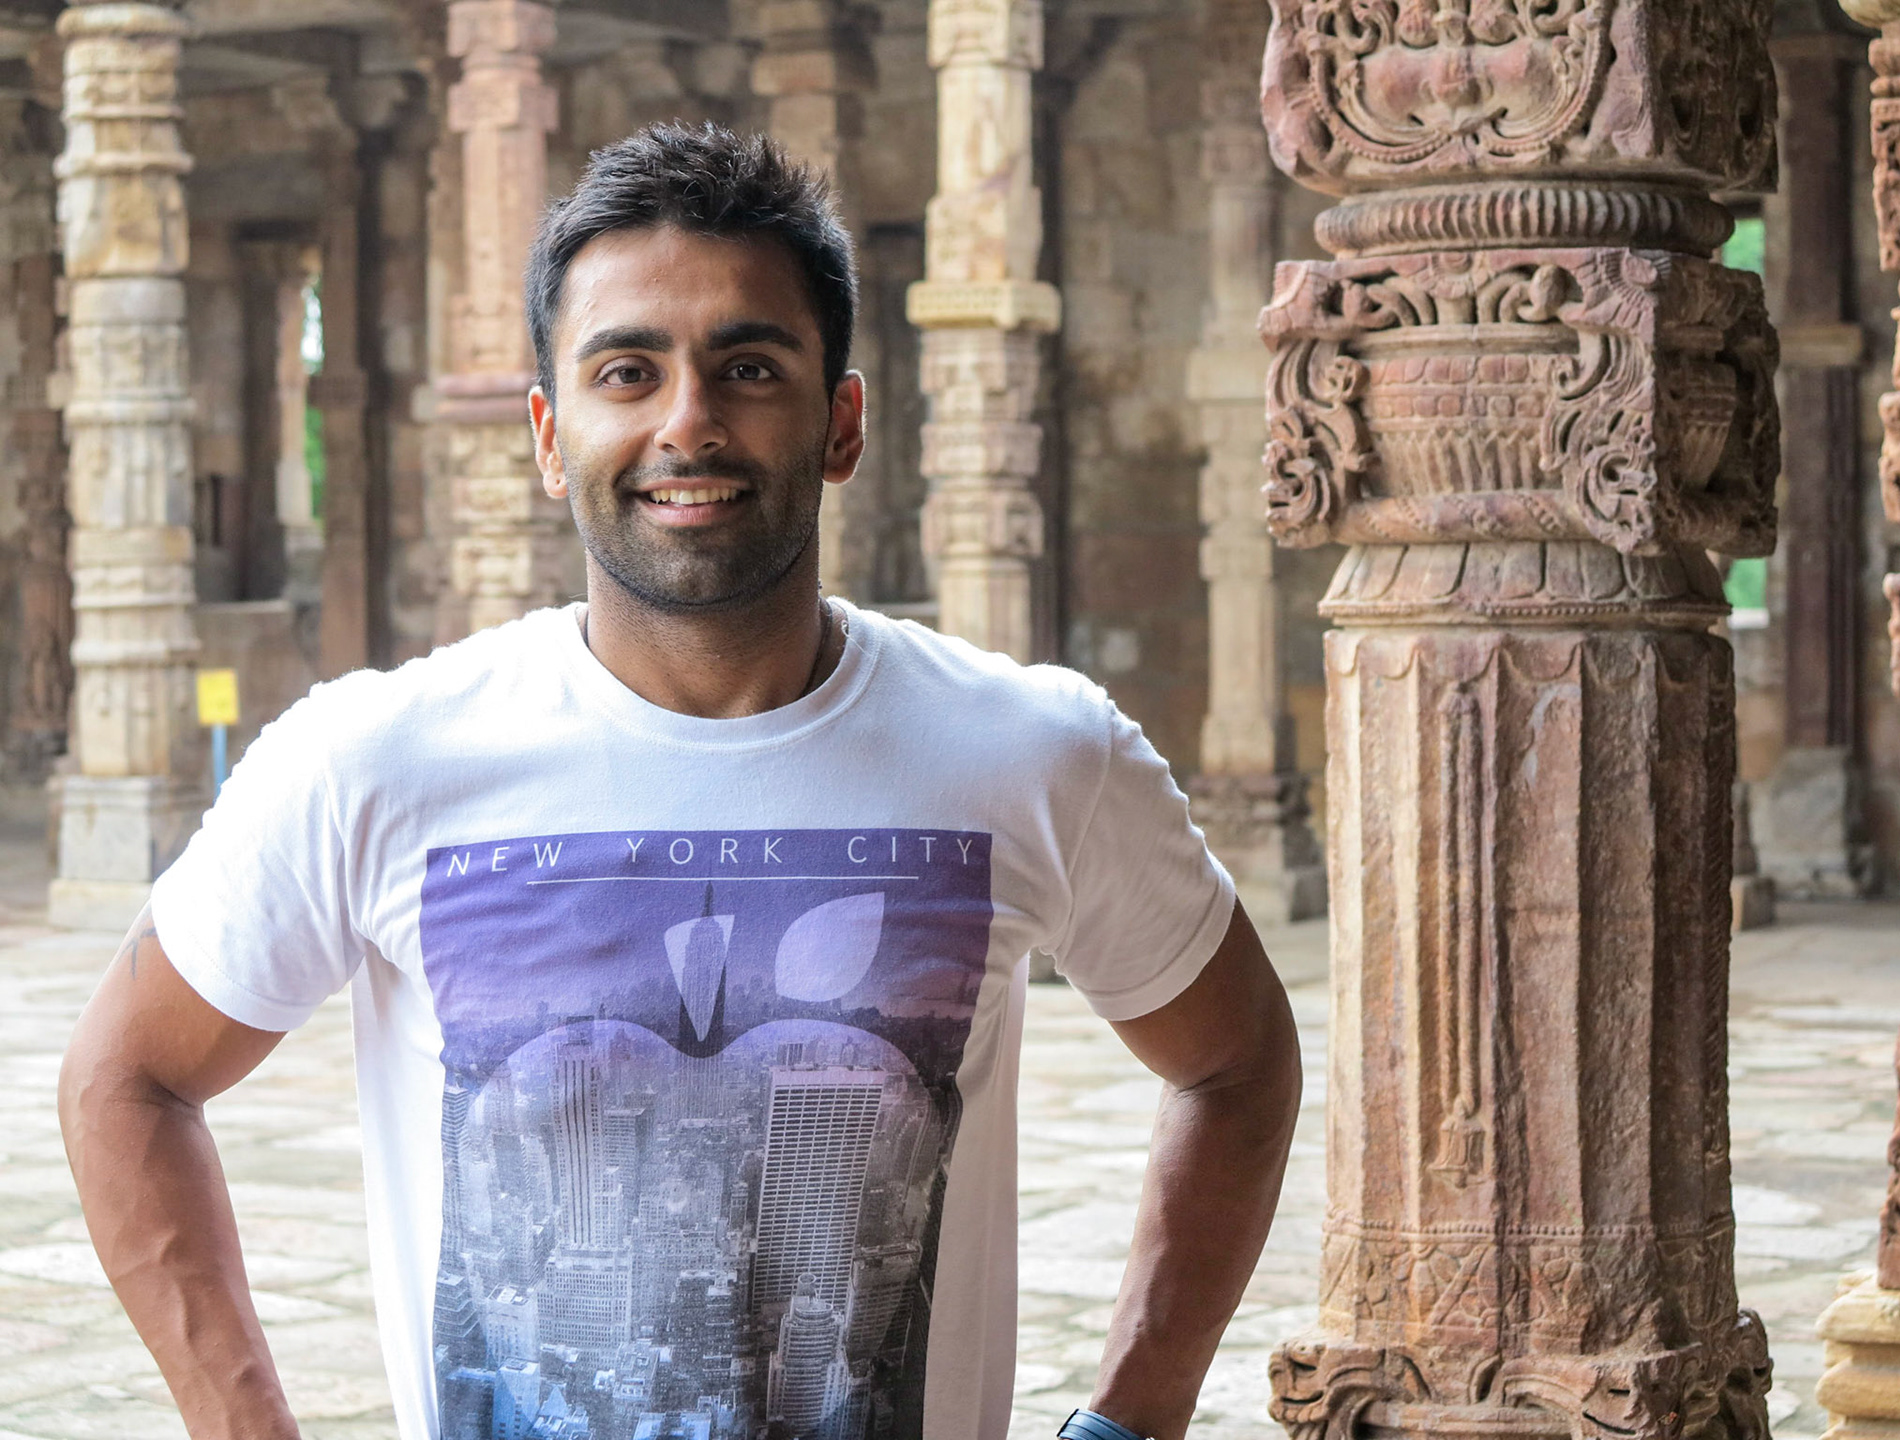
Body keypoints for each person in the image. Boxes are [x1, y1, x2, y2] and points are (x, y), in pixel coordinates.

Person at [58, 122, 1302, 1440]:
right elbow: (124, 1082)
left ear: (842, 422)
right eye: (627, 371)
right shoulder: (374, 760)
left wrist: (1137, 1412)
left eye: (748, 367)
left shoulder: (1031, 751)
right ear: (550, 435)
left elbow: (1240, 1062)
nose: (687, 423)